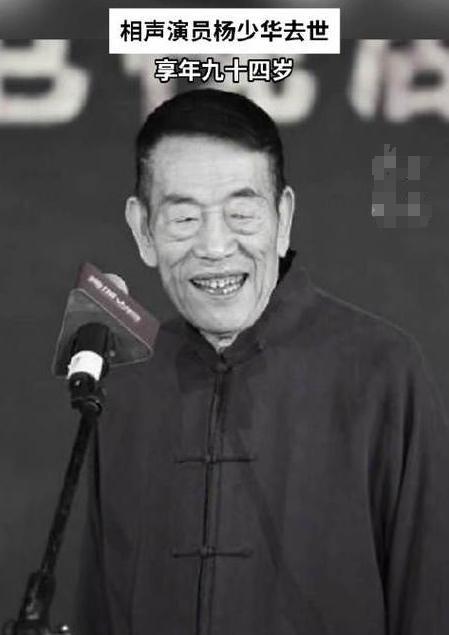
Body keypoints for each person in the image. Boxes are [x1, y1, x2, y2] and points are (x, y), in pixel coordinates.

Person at [75, 88, 449, 635]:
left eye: (242, 213)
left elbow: (430, 602)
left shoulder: (381, 371)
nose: (215, 246)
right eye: (184, 218)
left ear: (283, 218)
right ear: (143, 230)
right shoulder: (126, 384)